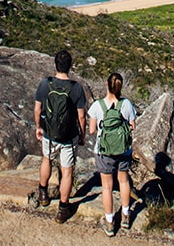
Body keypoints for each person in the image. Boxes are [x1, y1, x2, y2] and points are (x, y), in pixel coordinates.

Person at [33, 49, 87, 223]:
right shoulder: (76, 88)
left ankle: (43, 193)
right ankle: (63, 208)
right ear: (70, 66)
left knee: (46, 160)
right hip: (69, 136)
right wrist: (82, 135)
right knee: (67, 171)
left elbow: (37, 109)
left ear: (55, 65)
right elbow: (81, 116)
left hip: (49, 133)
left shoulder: (45, 84)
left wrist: (38, 127)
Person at [87, 72, 136, 236]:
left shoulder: (97, 106)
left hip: (104, 151)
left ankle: (109, 223)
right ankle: (125, 216)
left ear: (107, 85)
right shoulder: (127, 104)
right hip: (123, 150)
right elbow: (132, 126)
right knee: (123, 181)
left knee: (107, 187)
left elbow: (92, 130)